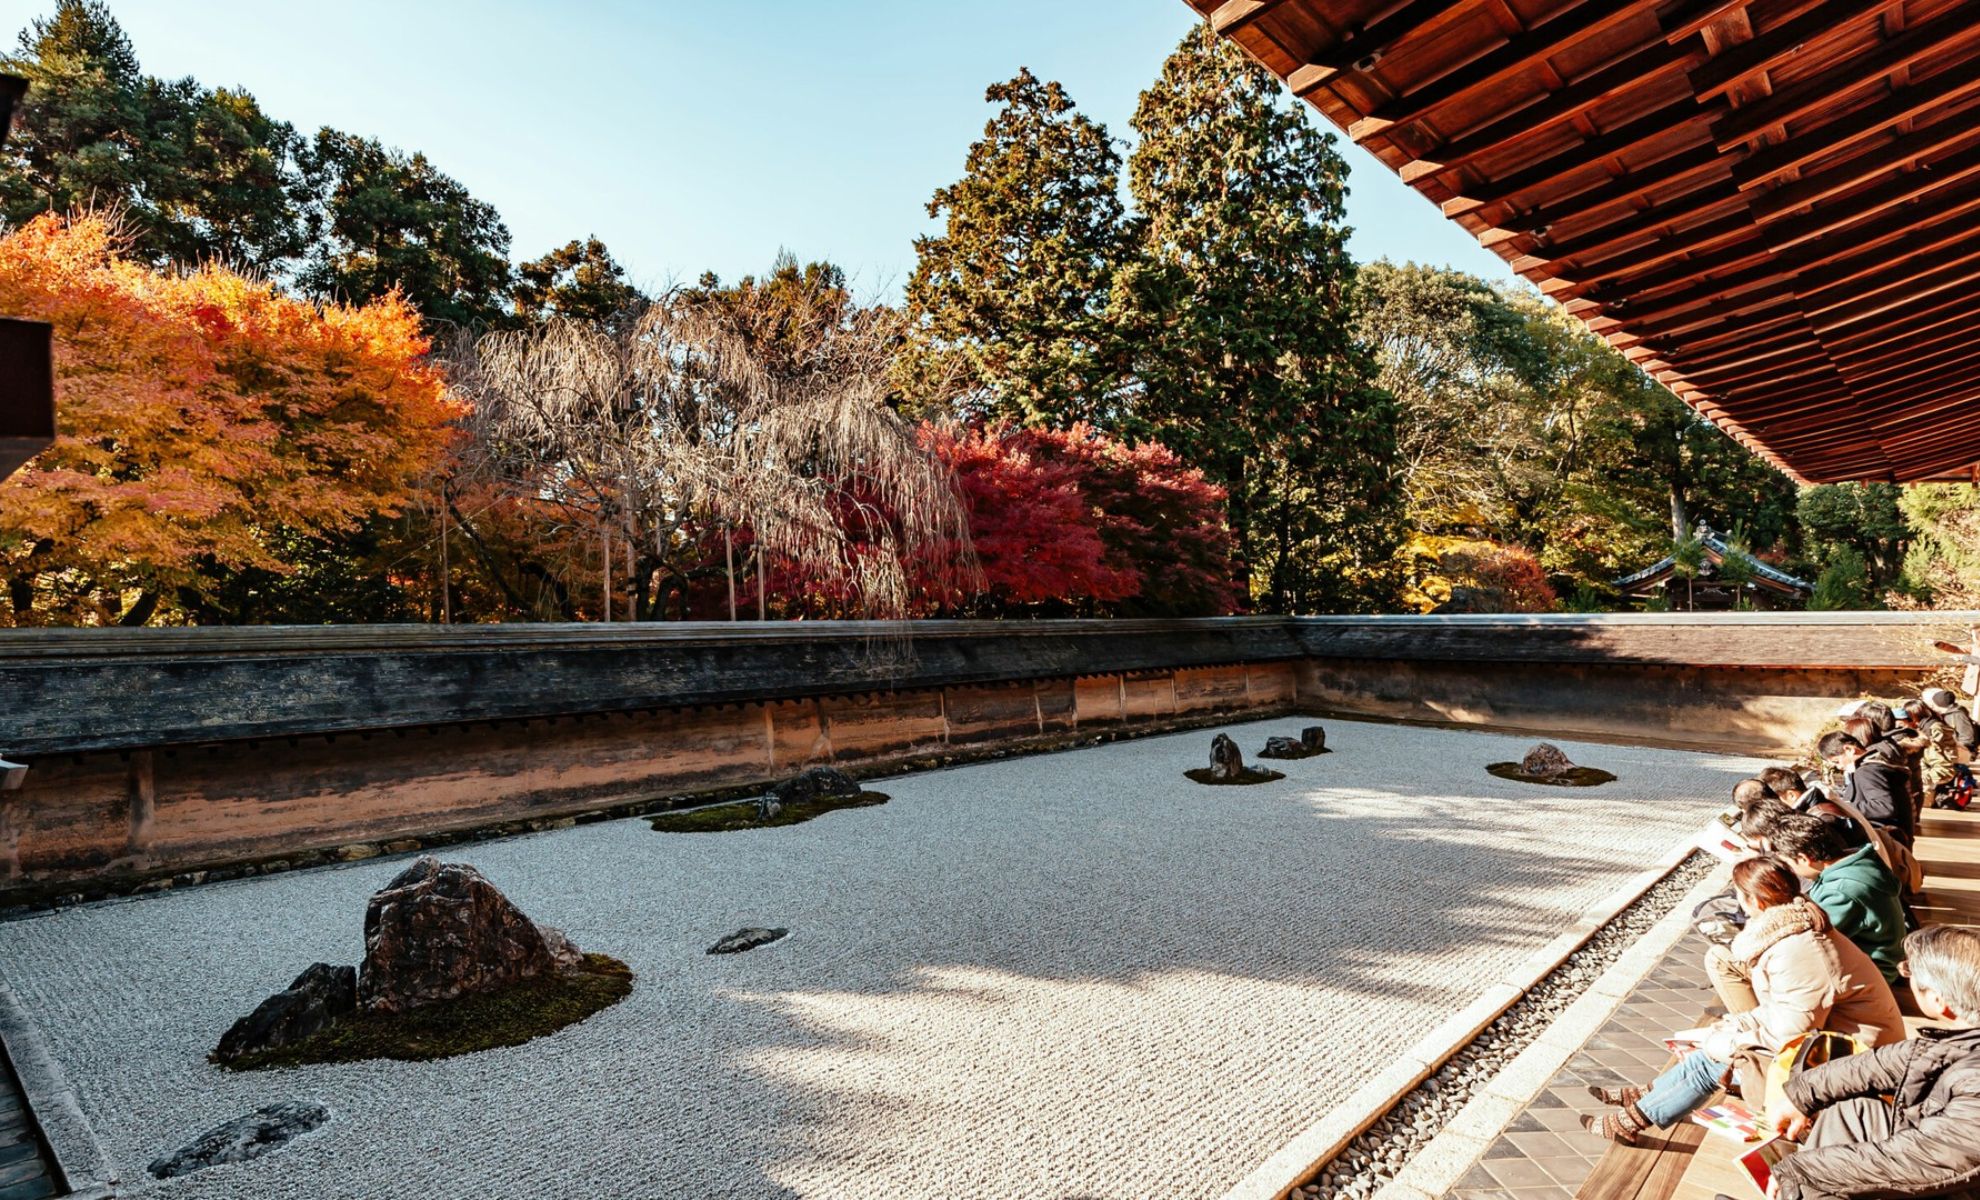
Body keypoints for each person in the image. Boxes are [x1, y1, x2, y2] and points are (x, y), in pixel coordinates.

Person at [1581, 857, 1905, 1144]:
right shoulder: (1793, 932)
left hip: (1852, 1070)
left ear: (1754, 901)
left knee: (1713, 1061)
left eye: (1739, 895)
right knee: (1712, 1048)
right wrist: (1736, 1025)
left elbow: (1790, 1035)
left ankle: (1633, 1118)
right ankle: (1643, 1103)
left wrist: (1731, 1040)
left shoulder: (1799, 951)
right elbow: (1782, 1012)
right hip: (1838, 1050)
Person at [1761, 924, 1980, 1200]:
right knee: (1853, 1111)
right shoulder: (1961, 1040)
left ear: (1939, 1002)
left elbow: (1917, 1161)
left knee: (1820, 1176)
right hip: (1938, 1154)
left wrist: (1801, 1170)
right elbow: (1878, 1064)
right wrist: (1799, 1095)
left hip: (1955, 1184)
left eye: (1910, 972)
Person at [1768, 814, 1908, 990]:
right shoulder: (1860, 863)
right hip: (1881, 961)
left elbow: (1813, 940)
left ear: (1804, 858)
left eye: (1789, 863)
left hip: (1873, 974)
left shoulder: (1841, 891)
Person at [1820, 729, 1914, 846]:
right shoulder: (1874, 765)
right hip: (1897, 839)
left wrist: (1843, 807)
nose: (1839, 767)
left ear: (1849, 749)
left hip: (1884, 840)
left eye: (1837, 761)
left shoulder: (1867, 771)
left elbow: (1884, 806)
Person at [1923, 686, 1978, 758]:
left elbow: (1966, 736)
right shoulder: (1948, 714)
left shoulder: (1957, 715)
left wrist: (1959, 753)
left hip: (1963, 753)